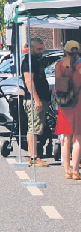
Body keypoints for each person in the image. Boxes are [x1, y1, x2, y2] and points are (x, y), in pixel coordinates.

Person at [22, 37, 50, 167]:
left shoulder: (36, 61)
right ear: (32, 48)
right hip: (34, 99)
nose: (41, 51)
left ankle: (34, 156)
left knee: (36, 128)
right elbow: (29, 81)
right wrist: (36, 99)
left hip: (40, 98)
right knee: (33, 128)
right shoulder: (28, 61)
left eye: (42, 48)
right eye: (39, 49)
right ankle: (33, 157)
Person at [55, 41, 81, 179]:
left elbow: (59, 86)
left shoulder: (60, 65)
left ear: (65, 51)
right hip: (79, 105)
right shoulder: (80, 66)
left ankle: (67, 169)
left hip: (65, 106)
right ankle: (76, 171)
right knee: (78, 138)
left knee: (66, 137)